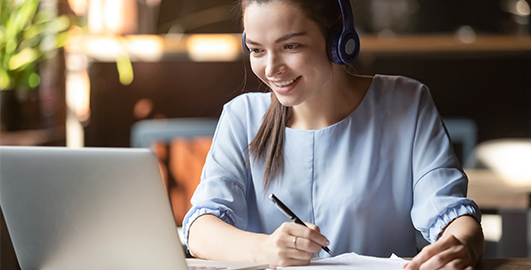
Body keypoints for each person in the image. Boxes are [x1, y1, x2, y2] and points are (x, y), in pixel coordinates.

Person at [182, 0, 485, 269]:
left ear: (338, 40)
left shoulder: (407, 102)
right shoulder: (242, 116)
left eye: (290, 46)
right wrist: (265, 249)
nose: (271, 68)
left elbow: (449, 214)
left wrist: (463, 246)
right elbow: (199, 230)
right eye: (257, 50)